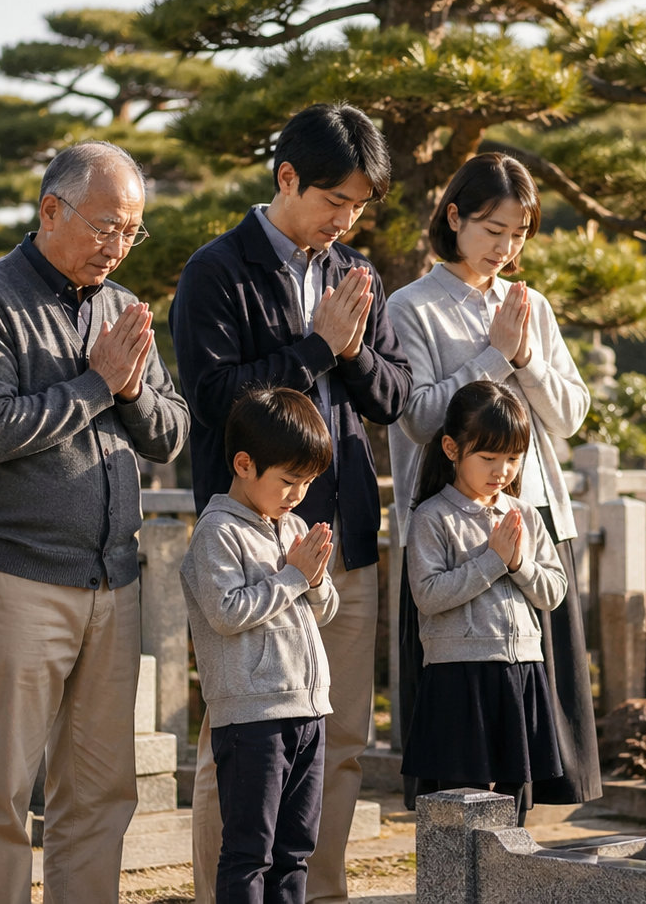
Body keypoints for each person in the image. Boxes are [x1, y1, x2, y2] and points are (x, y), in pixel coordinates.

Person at [171, 103, 410, 904]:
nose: (344, 220)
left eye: (358, 206)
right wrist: (314, 348)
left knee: (337, 736)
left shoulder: (355, 272)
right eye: (333, 201)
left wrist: (348, 348)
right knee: (234, 744)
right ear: (285, 179)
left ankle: (321, 893)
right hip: (250, 544)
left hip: (341, 538)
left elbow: (391, 396)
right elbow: (211, 401)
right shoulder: (218, 269)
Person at [0, 141, 190, 903]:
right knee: (0, 794)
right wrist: (96, 383)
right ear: (51, 211)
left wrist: (131, 388)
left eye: (131, 231)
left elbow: (171, 430)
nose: (117, 246)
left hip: (112, 581)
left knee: (100, 794)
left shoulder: (122, 309)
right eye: (106, 225)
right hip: (15, 576)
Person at [385, 154, 600, 810]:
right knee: (460, 733)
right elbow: (418, 416)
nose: (507, 248)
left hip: (532, 515)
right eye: (493, 230)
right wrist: (493, 356)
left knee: (534, 732)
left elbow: (568, 414)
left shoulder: (530, 304)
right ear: (454, 217)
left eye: (520, 233)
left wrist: (527, 353)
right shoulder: (410, 306)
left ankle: (518, 857)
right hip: (448, 525)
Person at [182, 388, 339, 904]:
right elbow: (227, 613)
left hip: (308, 709)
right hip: (252, 718)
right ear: (245, 464)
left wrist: (313, 579)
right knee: (251, 852)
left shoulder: (290, 526)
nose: (298, 494)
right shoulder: (218, 531)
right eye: (289, 481)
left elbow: (326, 608)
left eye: (308, 482)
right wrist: (295, 576)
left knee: (296, 850)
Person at [400, 381, 567, 825]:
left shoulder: (525, 515)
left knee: (514, 803)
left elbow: (554, 590)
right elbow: (429, 595)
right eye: (488, 457)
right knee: (460, 803)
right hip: (459, 677)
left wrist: (518, 564)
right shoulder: (431, 517)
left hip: (521, 672)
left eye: (513, 458)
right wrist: (493, 561)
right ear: (452, 448)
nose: (502, 470)